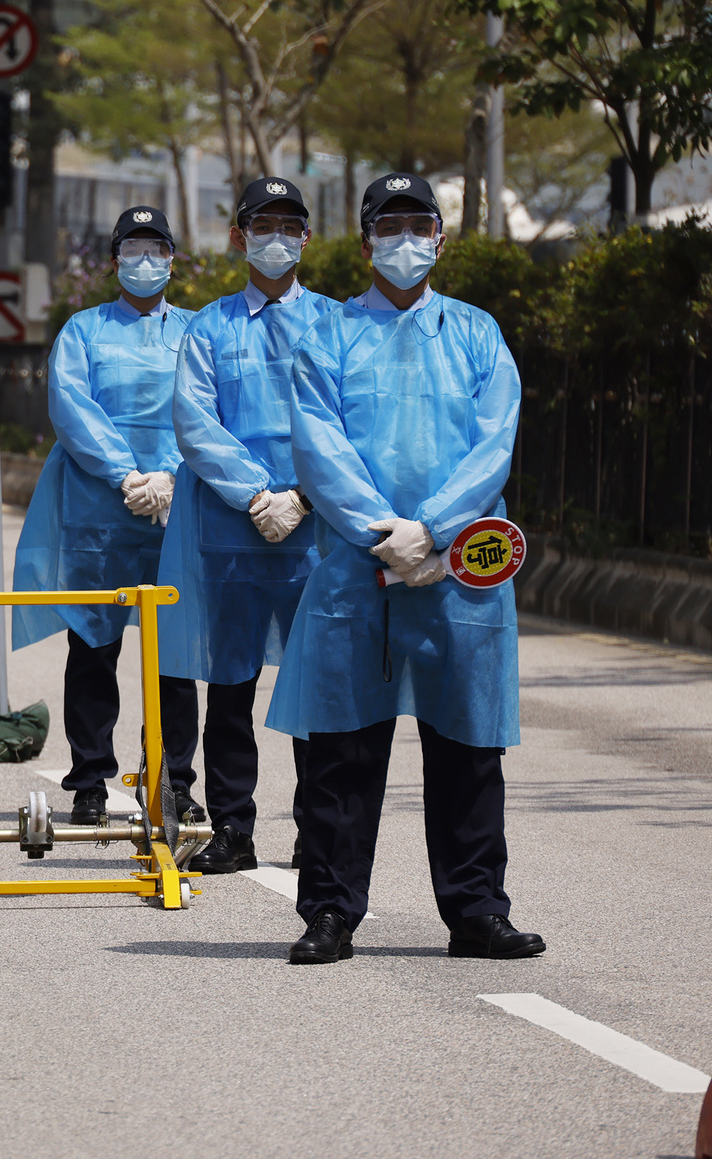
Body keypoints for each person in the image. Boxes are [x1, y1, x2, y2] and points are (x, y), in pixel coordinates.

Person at [272, 173, 543, 964]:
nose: (403, 240)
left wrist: (434, 530)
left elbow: (494, 443)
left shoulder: (477, 334)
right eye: (387, 226)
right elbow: (318, 446)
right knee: (343, 752)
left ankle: (476, 910)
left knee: (466, 748)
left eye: (417, 224)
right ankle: (328, 912)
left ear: (440, 238)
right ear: (364, 244)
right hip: (359, 572)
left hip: (457, 571)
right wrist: (380, 532)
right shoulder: (327, 336)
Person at [156, 178, 337, 875]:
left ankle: (318, 829)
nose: (276, 236)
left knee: (315, 690)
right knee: (229, 691)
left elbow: (343, 426)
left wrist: (305, 496)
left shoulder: (336, 323)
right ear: (237, 236)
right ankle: (233, 827)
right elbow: (195, 422)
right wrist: (258, 494)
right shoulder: (209, 327)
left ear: (308, 238)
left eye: (290, 224)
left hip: (313, 534)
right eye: (262, 223)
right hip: (231, 533)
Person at [12, 208, 202, 827]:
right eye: (134, 249)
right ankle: (90, 779)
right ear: (115, 259)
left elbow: (207, 408)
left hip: (177, 507)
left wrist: (171, 472)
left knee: (174, 655)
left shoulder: (198, 332)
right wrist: (127, 473)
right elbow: (72, 409)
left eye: (157, 248)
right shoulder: (84, 331)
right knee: (93, 648)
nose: (145, 260)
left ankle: (175, 778)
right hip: (100, 509)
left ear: (173, 258)